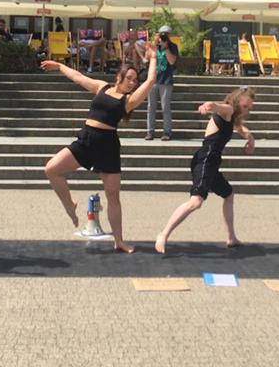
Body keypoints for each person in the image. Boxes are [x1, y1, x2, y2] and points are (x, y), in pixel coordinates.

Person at [41, 42, 157, 253]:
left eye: (134, 80)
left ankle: (119, 240)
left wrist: (154, 58)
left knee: (113, 196)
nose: (132, 83)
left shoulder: (128, 101)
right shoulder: (101, 87)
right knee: (51, 169)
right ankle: (70, 205)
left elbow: (150, 82)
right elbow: (78, 77)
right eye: (129, 78)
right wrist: (59, 66)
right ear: (118, 78)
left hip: (108, 145)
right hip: (87, 140)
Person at [155, 86, 256, 254]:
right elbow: (217, 106)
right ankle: (163, 234)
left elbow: (240, 127)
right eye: (246, 106)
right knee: (196, 202)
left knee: (228, 195)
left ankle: (231, 237)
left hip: (212, 163)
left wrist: (250, 137)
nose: (247, 110)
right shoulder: (228, 109)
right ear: (238, 101)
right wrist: (208, 106)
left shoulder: (232, 117)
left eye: (250, 108)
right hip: (205, 161)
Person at [146, 25, 179, 141]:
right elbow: (146, 59)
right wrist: (150, 47)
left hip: (166, 80)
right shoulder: (155, 46)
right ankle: (150, 131)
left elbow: (171, 61)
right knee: (151, 106)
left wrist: (165, 48)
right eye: (162, 34)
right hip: (153, 80)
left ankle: (167, 132)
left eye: (166, 34)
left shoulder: (173, 47)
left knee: (165, 107)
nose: (164, 36)